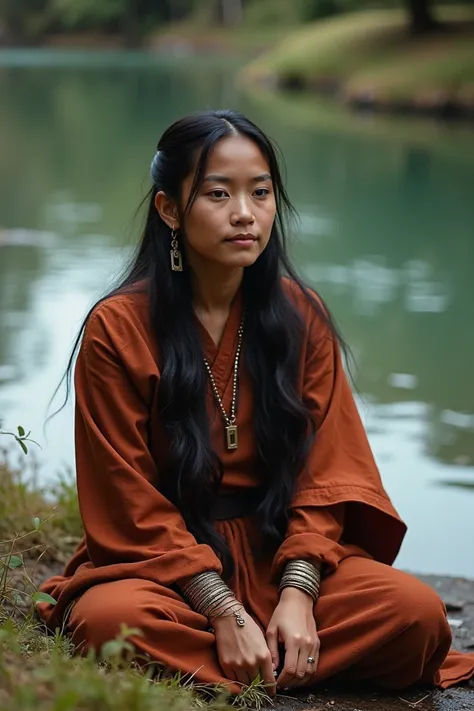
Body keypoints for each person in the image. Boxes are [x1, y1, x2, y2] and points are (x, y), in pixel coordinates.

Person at [38, 109, 474, 698]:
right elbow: (128, 501)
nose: (245, 213)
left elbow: (330, 474)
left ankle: (254, 659)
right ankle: (279, 663)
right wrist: (221, 608)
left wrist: (297, 593)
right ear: (169, 209)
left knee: (416, 615)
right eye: (218, 194)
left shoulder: (302, 316)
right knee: (109, 620)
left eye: (261, 193)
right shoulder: (117, 329)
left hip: (280, 554)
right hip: (168, 572)